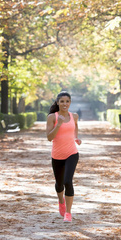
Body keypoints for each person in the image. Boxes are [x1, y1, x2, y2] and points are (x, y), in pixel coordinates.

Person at [46, 91, 82, 222]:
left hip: (72, 153)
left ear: (70, 102)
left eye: (67, 101)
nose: (65, 104)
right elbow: (49, 137)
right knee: (59, 184)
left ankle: (68, 212)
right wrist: (59, 124)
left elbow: (75, 127)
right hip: (57, 155)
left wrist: (76, 138)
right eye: (62, 101)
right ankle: (61, 201)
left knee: (68, 181)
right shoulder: (52, 117)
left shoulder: (75, 116)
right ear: (57, 103)